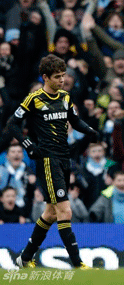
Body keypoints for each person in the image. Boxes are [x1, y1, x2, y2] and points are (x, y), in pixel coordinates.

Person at [1, 54, 99, 269]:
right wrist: (28, 145)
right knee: (65, 211)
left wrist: (90, 130)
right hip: (47, 160)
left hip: (65, 158)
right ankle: (77, 263)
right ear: (45, 77)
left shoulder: (65, 97)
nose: (62, 80)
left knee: (51, 213)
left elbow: (74, 120)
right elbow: (12, 124)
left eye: (63, 76)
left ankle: (25, 257)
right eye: (57, 77)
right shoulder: (33, 99)